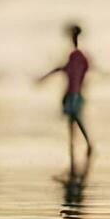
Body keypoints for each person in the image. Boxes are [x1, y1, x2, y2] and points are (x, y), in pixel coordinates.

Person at [39, 23, 93, 163]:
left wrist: (44, 77)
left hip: (73, 93)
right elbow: (77, 71)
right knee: (72, 119)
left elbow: (64, 70)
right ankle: (73, 145)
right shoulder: (80, 57)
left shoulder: (76, 55)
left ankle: (85, 143)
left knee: (75, 118)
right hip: (74, 93)